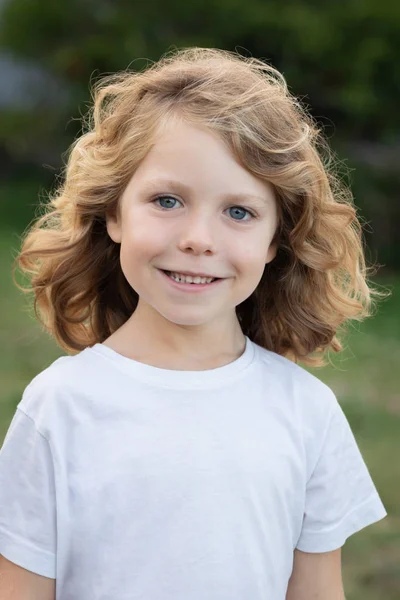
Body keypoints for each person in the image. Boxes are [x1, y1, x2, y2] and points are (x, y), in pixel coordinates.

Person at [0, 47, 389, 600]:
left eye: (239, 212)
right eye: (166, 200)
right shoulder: (58, 409)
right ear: (114, 213)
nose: (198, 239)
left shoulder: (307, 413)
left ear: (276, 238)